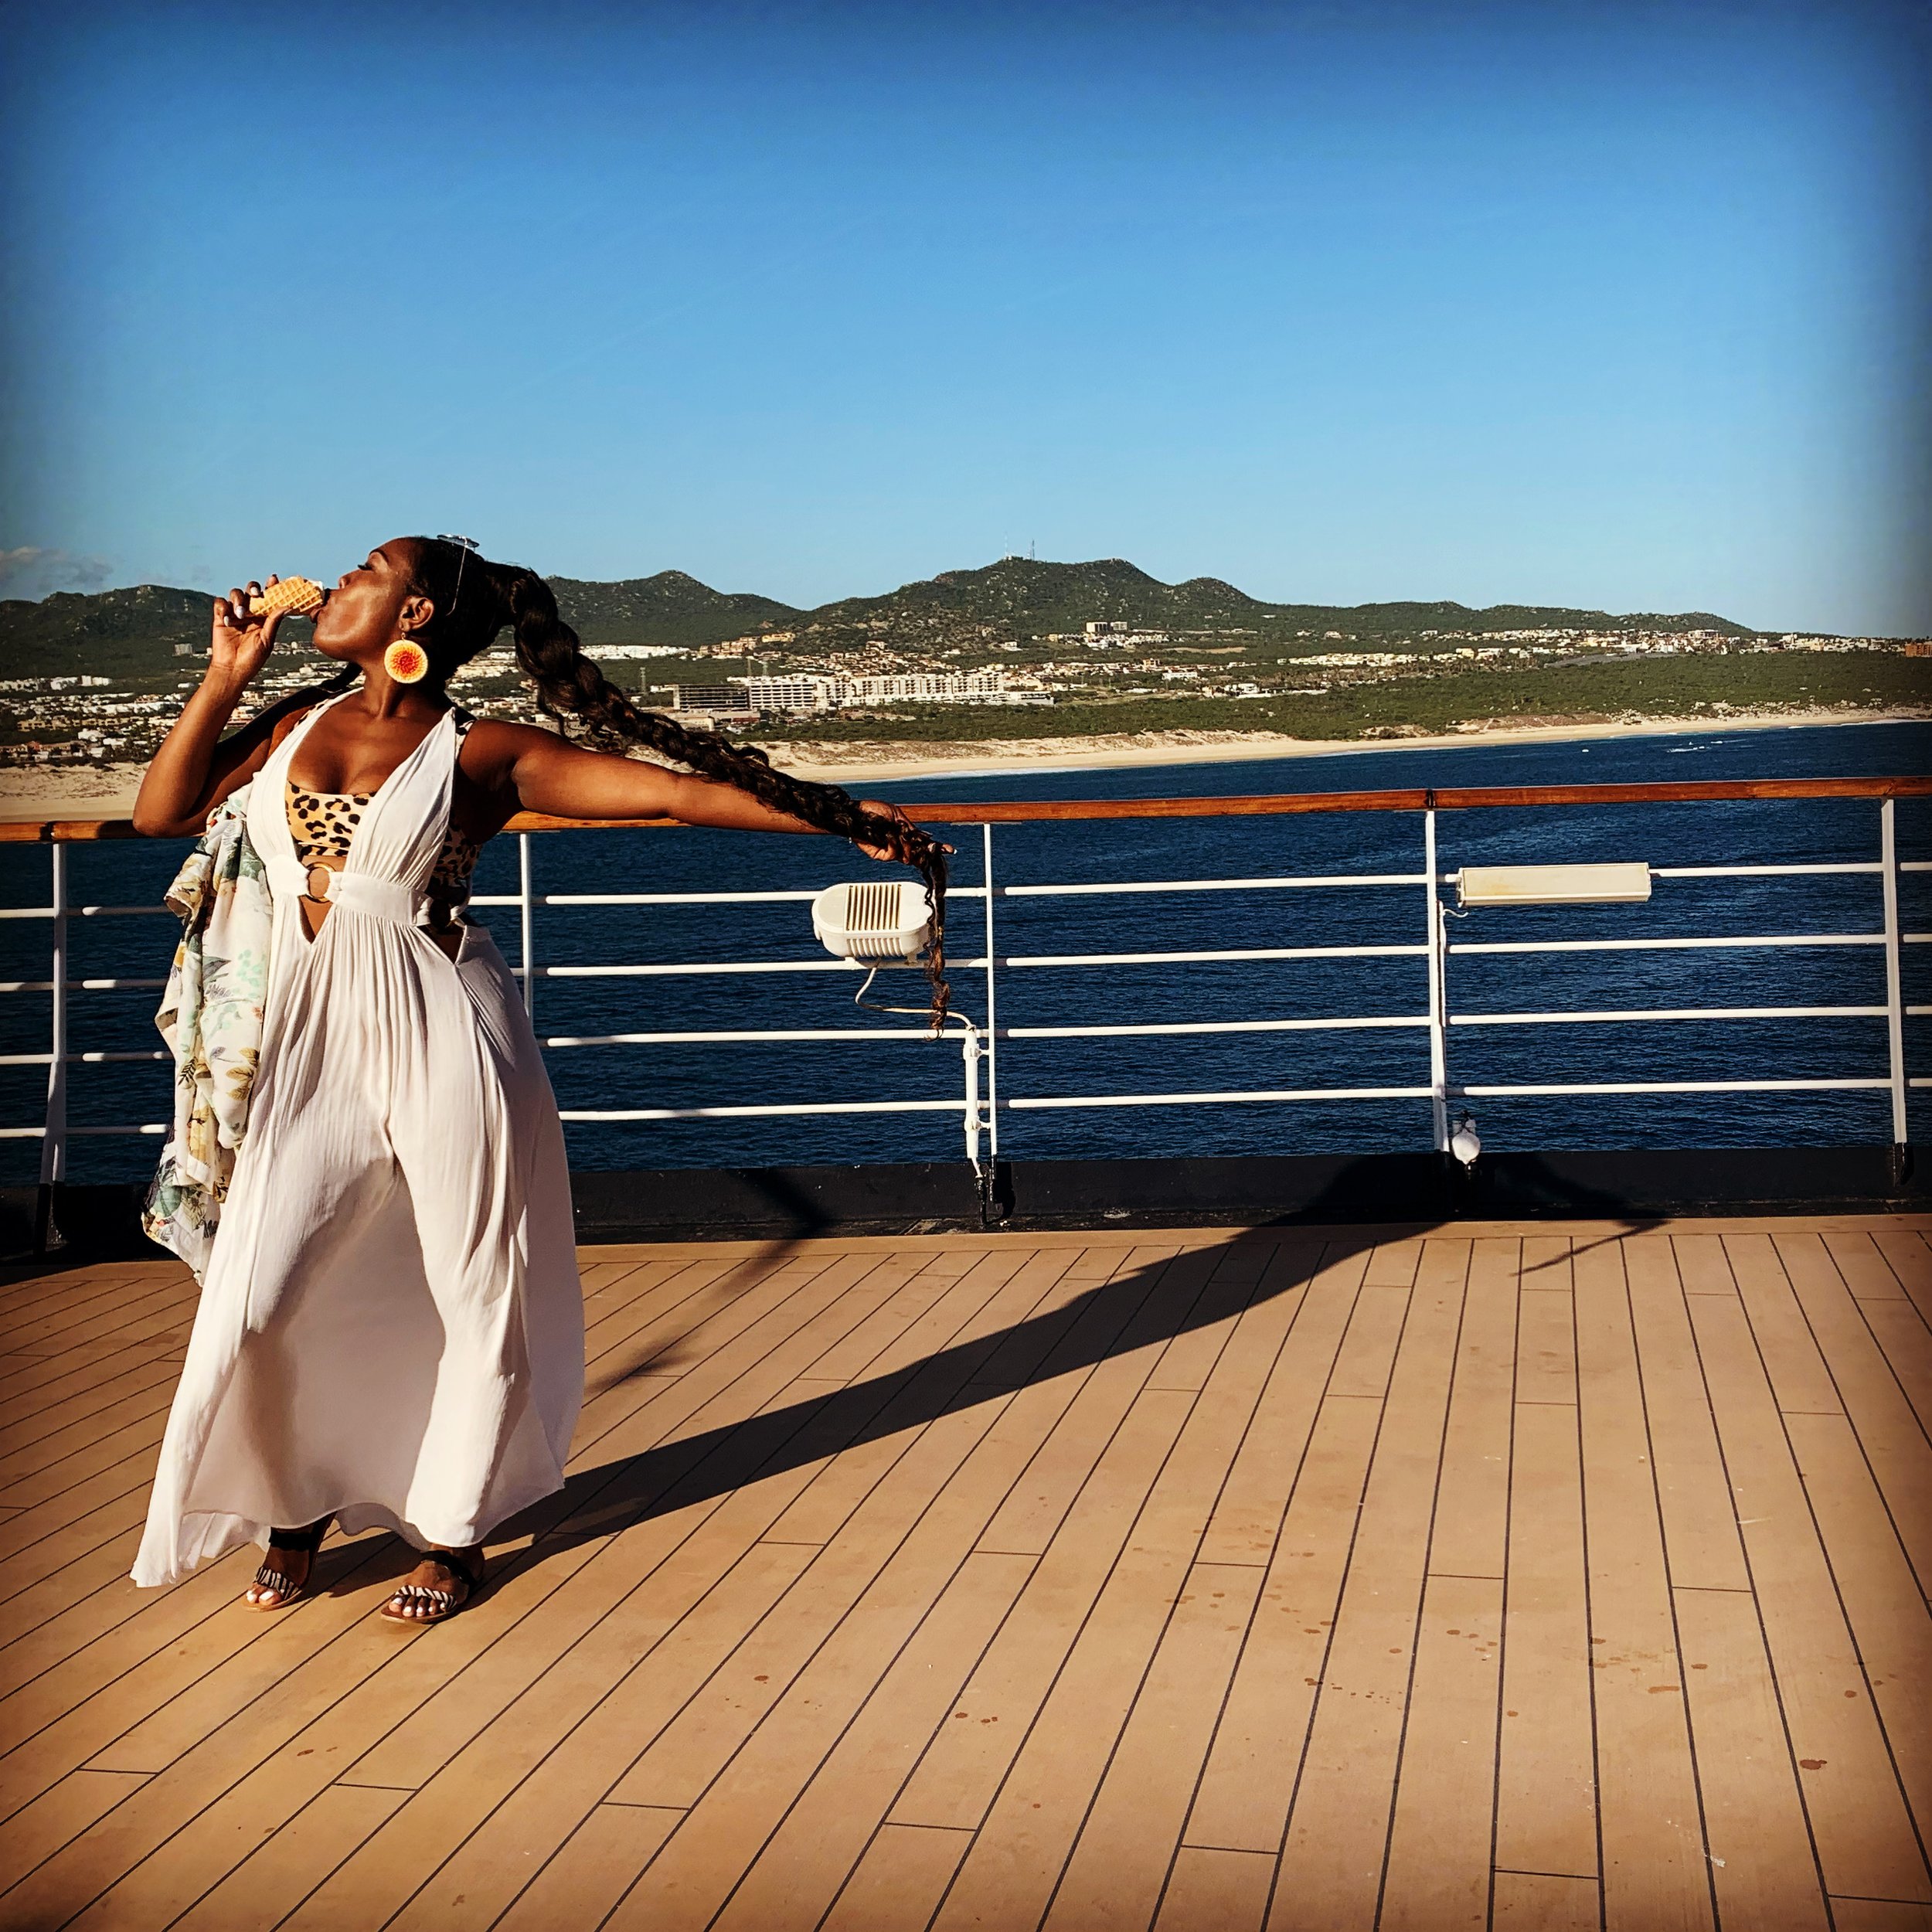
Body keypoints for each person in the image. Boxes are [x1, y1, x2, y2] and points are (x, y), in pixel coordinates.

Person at [128, 536, 947, 1624]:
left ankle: (455, 1533)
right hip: (307, 1029)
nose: (339, 580)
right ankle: (298, 1497)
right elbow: (161, 813)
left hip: (443, 1022)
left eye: (369, 568)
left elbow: (671, 797)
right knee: (265, 1290)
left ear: (415, 613)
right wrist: (227, 673)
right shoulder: (292, 725)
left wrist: (844, 818)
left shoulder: (482, 751)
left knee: (477, 1282)